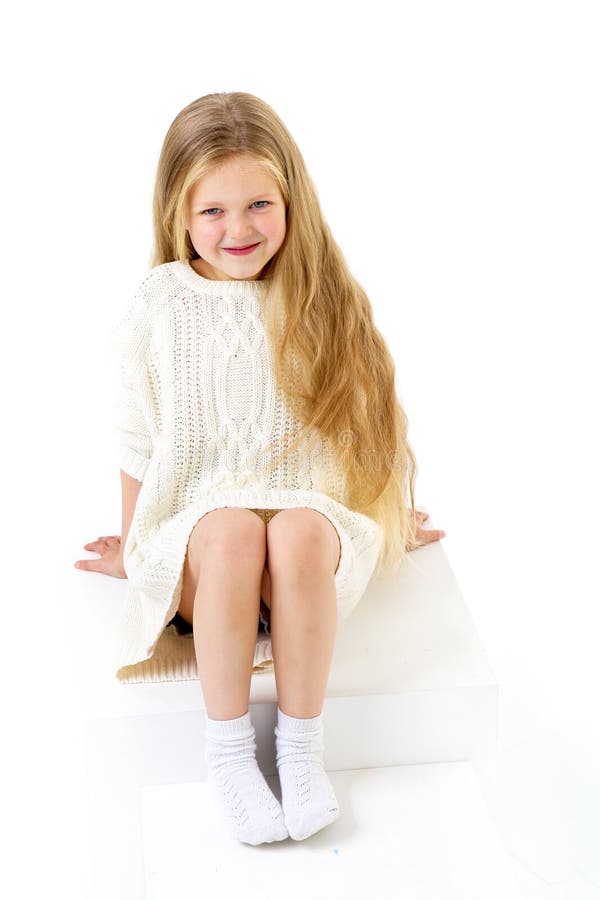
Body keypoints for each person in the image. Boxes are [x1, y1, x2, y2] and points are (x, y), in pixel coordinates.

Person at [74, 91, 446, 846]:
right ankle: (231, 754)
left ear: (290, 201)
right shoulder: (159, 307)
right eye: (212, 211)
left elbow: (361, 425)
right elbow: (136, 437)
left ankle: (303, 750)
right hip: (205, 544)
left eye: (257, 205)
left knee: (301, 529)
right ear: (178, 213)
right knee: (234, 528)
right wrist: (135, 541)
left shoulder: (323, 299)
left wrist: (384, 513)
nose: (237, 229)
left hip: (302, 553)